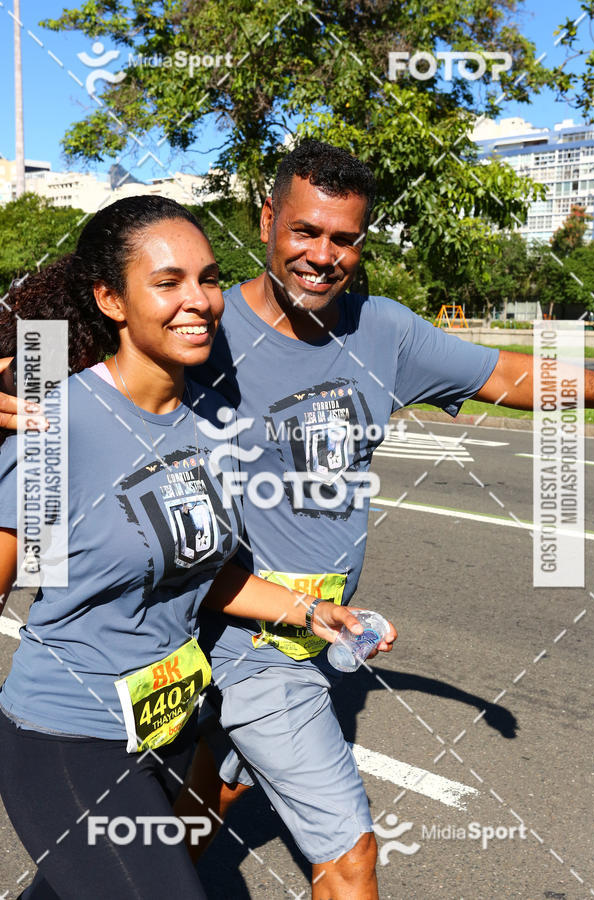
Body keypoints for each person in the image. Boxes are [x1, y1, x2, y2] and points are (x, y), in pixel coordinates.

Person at [3, 141, 594, 900]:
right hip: (230, 650)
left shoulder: (378, 335)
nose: (323, 255)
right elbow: (60, 352)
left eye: (344, 238)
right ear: (266, 222)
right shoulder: (192, 337)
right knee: (348, 859)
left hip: (232, 634)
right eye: (305, 232)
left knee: (190, 811)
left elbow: (509, 373)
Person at [0, 194, 391, 900]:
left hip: (173, 725)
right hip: (68, 737)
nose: (200, 301)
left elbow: (202, 575)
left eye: (208, 279)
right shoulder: (59, 425)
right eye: (168, 282)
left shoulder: (211, 428)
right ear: (110, 300)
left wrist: (309, 613)